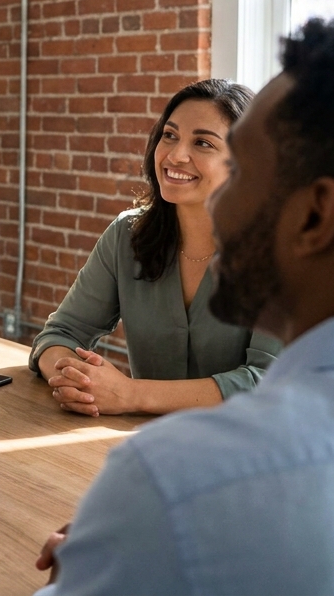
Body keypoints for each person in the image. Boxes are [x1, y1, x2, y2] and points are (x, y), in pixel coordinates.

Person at [34, 17, 334, 595]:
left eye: (246, 173)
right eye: (168, 136)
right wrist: (139, 536)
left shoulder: (173, 475)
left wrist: (134, 533)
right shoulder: (129, 234)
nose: (226, 209)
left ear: (314, 215)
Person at [29, 79, 282, 415]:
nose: (175, 155)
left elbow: (271, 383)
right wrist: (77, 378)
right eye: (170, 135)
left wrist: (132, 394)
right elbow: (61, 333)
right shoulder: (126, 235)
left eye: (203, 143)